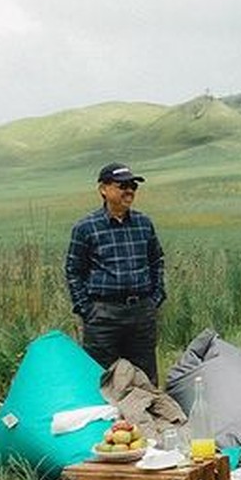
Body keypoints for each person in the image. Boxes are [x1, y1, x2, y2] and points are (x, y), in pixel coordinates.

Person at [65, 162, 166, 384]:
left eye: (133, 186)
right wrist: (86, 309)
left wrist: (155, 299)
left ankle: (144, 419)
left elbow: (156, 261)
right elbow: (74, 270)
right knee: (101, 379)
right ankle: (107, 420)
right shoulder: (86, 227)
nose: (129, 191)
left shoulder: (143, 224)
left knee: (145, 380)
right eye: (122, 185)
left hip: (141, 312)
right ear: (103, 189)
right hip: (103, 315)